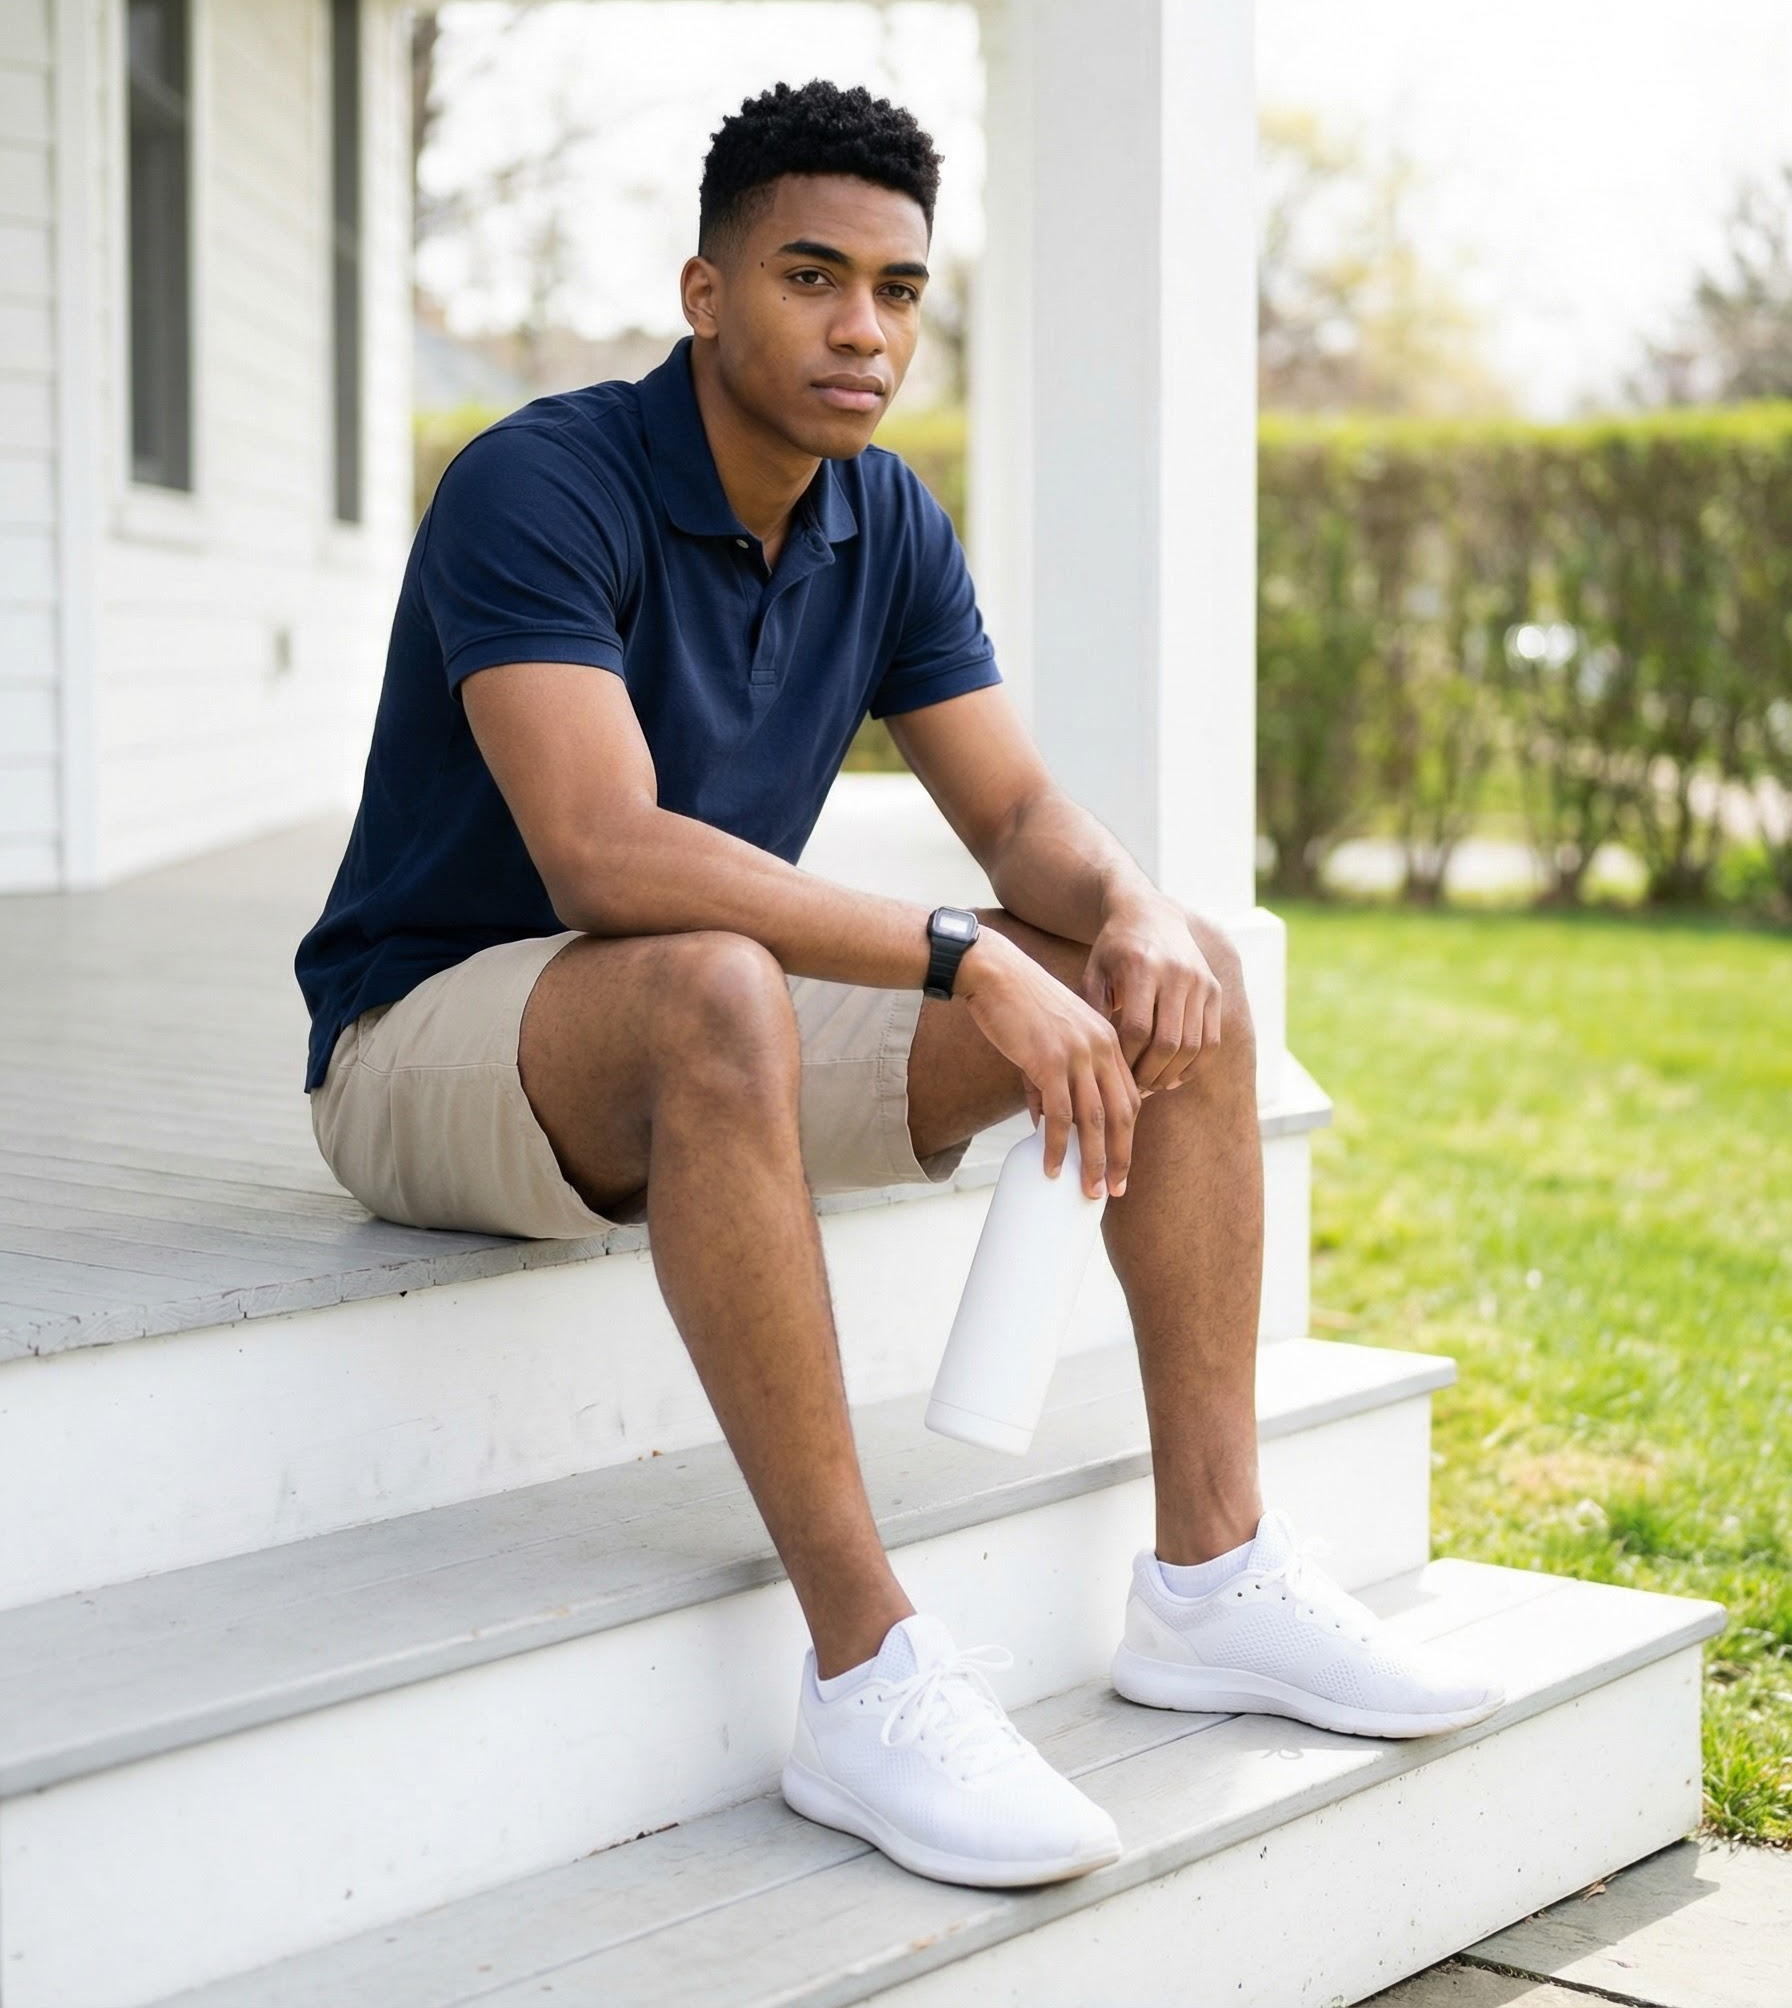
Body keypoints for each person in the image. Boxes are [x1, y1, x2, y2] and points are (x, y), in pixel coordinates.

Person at [295, 79, 1502, 1892]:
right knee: (713, 983)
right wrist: (957, 962)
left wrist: (1126, 915)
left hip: (700, 1025)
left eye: (901, 288)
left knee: (1177, 988)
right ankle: (866, 1676)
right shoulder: (537, 483)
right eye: (812, 276)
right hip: (432, 1044)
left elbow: (1011, 809)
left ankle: (1214, 1579)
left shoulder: (885, 521)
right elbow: (603, 857)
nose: (866, 329)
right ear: (706, 294)